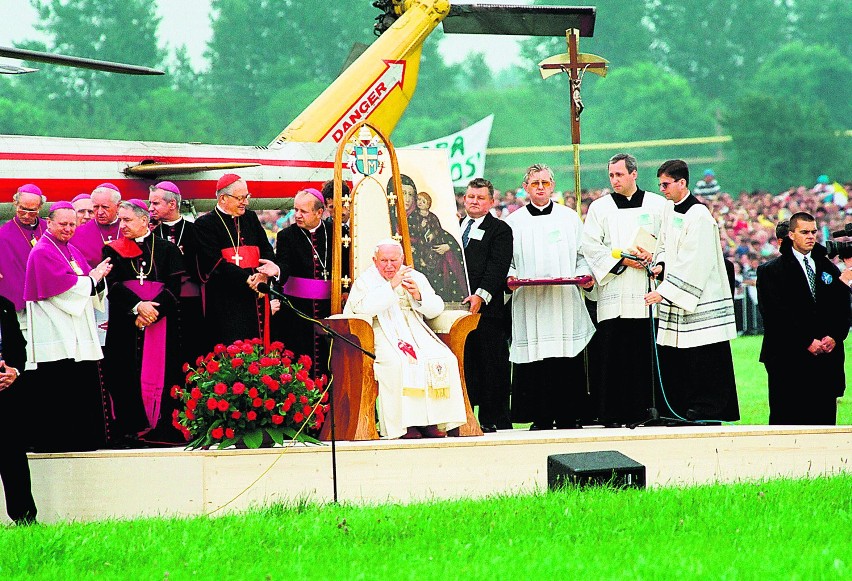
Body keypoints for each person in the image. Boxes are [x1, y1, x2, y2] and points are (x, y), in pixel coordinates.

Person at [644, 160, 739, 422]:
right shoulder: (668, 210)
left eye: (666, 184)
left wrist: (666, 291)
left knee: (703, 357)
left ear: (682, 182)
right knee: (681, 357)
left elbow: (694, 260)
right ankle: (683, 405)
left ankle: (708, 407)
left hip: (699, 297)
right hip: (678, 294)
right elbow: (663, 244)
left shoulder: (700, 216)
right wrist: (659, 263)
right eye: (660, 184)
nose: (662, 189)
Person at [343, 239, 467, 439]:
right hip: (382, 330)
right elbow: (361, 309)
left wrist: (418, 296)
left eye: (394, 260)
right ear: (375, 261)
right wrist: (391, 287)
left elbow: (436, 308)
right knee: (398, 363)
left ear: (402, 259)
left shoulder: (415, 276)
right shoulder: (366, 281)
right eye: (384, 261)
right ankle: (404, 426)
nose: (389, 265)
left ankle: (432, 421)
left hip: (415, 330)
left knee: (445, 359)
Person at [505, 164, 596, 430]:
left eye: (545, 182)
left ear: (553, 185)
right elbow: (507, 262)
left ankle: (570, 416)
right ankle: (541, 417)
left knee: (566, 358)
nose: (541, 187)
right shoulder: (513, 222)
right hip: (531, 302)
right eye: (535, 183)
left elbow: (583, 257)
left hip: (563, 302)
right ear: (526, 187)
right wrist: (510, 279)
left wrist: (583, 276)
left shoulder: (569, 218)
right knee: (537, 361)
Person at [581, 154, 666, 427]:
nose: (615, 180)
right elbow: (591, 246)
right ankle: (613, 413)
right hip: (614, 292)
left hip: (645, 291)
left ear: (634, 174)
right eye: (611, 175)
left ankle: (648, 411)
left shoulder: (657, 204)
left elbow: (666, 243)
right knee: (614, 357)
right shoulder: (599, 208)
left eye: (619, 174)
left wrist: (655, 261)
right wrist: (621, 260)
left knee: (644, 356)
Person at [23, 202, 113, 451]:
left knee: (77, 390)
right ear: (49, 223)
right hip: (55, 333)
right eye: (63, 224)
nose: (68, 228)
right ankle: (59, 442)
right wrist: (92, 279)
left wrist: (97, 280)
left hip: (74, 333)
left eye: (72, 224)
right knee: (59, 392)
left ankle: (83, 440)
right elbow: (64, 291)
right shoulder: (43, 251)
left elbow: (86, 286)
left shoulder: (71, 250)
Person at [102, 200, 186, 445]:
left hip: (160, 323)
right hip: (125, 322)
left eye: (127, 220)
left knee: (162, 374)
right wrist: (139, 307)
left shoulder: (166, 249)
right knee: (124, 374)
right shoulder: (112, 249)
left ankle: (159, 426)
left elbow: (174, 290)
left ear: (143, 220)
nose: (122, 225)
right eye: (121, 220)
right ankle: (130, 427)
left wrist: (151, 312)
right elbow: (113, 287)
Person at [757, 212, 850, 424]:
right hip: (788, 361)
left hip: (825, 360)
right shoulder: (770, 272)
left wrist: (835, 336)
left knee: (824, 424)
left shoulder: (829, 268)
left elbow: (841, 308)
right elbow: (775, 315)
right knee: (788, 422)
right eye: (804, 232)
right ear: (791, 235)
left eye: (814, 232)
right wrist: (806, 341)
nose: (810, 236)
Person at [194, 174, 277, 348]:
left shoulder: (251, 218)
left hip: (257, 296)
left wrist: (263, 276)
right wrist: (248, 279)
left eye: (247, 197)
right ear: (223, 198)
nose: (245, 202)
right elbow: (213, 263)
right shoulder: (205, 224)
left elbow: (266, 249)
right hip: (226, 301)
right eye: (240, 198)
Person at [459, 177, 513, 432]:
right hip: (458, 311)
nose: (475, 202)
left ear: (491, 202)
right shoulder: (455, 227)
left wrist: (480, 296)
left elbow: (497, 268)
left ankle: (493, 419)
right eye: (471, 197)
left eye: (481, 198)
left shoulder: (500, 230)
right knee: (465, 365)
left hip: (487, 310)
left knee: (491, 364)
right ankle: (463, 418)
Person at [265, 188, 333, 379]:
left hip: (330, 308)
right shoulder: (287, 235)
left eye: (303, 211)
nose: (297, 215)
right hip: (298, 311)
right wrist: (278, 270)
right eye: (296, 210)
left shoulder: (334, 232)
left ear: (319, 212)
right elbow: (285, 264)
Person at [148, 181, 206, 369]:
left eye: (155, 204)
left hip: (192, 304)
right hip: (163, 301)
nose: (150, 209)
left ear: (172, 204)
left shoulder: (195, 231)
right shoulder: (152, 234)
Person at [0, 293, 38, 525]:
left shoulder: (5, 306)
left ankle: (26, 520)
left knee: (13, 458)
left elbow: (19, 349)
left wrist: (14, 371)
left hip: (6, 393)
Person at [0, 184, 47, 334]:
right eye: (22, 209)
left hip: (49, 299)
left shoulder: (49, 229)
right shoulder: (3, 234)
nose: (26, 215)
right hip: (20, 301)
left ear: (40, 207)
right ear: (15, 204)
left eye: (32, 211)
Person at [407, 191, 468, 303]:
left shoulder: (433, 217)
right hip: (420, 248)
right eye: (418, 200)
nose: (420, 203)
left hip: (433, 247)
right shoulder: (413, 216)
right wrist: (422, 228)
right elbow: (412, 232)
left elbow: (438, 230)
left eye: (423, 201)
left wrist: (433, 234)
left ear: (428, 204)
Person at [71, 183, 123, 266]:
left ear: (118, 206)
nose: (100, 212)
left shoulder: (128, 229)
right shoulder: (77, 234)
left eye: (105, 207)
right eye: (95, 207)